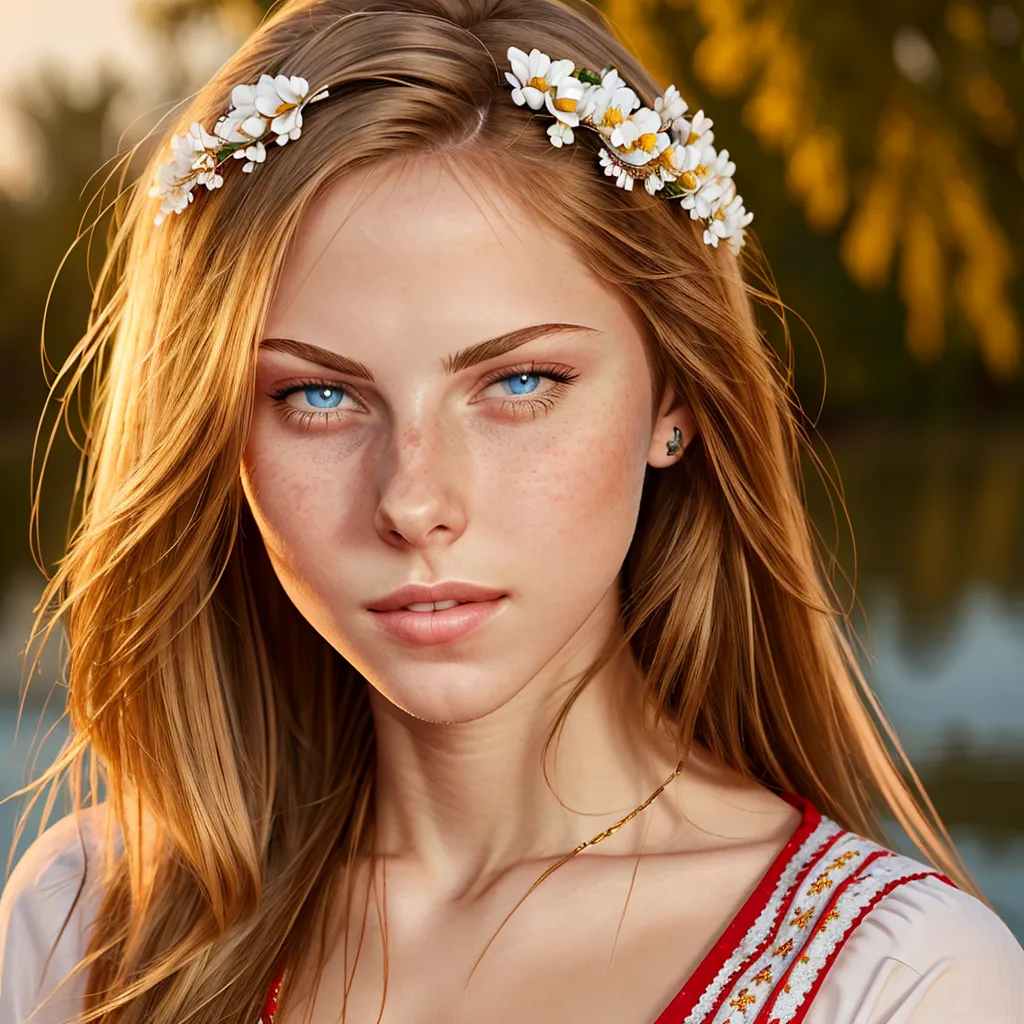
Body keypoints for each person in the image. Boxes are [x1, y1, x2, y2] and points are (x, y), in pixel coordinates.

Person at [1, 0, 1022, 1021]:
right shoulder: (91, 923)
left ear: (674, 397)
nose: (413, 501)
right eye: (317, 395)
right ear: (216, 430)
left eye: (520, 381)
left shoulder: (901, 981)